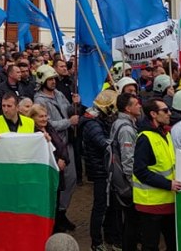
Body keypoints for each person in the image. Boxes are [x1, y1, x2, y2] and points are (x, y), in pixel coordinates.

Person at [34, 65, 79, 232]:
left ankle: (62, 211)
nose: (53, 82)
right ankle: (55, 216)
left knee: (71, 178)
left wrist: (75, 104)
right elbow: (48, 123)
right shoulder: (40, 100)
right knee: (58, 182)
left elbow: (68, 109)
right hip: (53, 146)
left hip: (67, 143)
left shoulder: (59, 93)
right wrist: (69, 122)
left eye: (54, 79)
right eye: (50, 79)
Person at [133, 99, 180, 251]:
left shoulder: (165, 133)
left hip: (169, 201)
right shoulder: (145, 138)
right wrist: (168, 184)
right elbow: (140, 171)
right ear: (153, 114)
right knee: (151, 246)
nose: (169, 113)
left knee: (173, 242)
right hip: (151, 204)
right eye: (165, 111)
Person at [79, 89, 121, 251]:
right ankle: (96, 242)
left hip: (105, 169)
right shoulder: (91, 123)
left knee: (110, 207)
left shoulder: (97, 120)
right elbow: (104, 144)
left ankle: (110, 237)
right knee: (100, 207)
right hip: (100, 171)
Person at [109, 92, 140, 251]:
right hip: (127, 184)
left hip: (121, 181)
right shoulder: (126, 129)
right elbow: (128, 160)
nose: (139, 105)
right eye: (136, 104)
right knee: (132, 221)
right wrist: (133, 184)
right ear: (128, 109)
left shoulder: (120, 122)